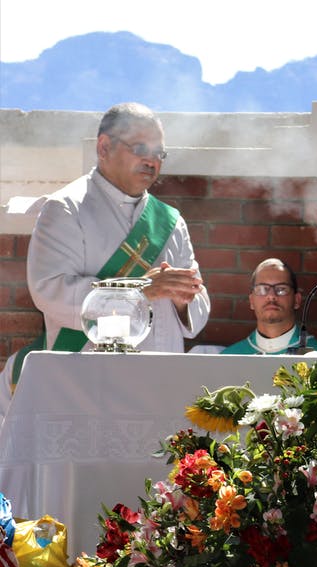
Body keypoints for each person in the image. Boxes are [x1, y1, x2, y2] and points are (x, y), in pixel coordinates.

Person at [15, 102, 209, 385]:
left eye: (159, 153)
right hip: (88, 380)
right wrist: (141, 289)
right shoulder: (67, 208)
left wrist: (183, 300)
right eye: (140, 149)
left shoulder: (171, 220)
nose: (152, 161)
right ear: (104, 147)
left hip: (160, 376)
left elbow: (198, 308)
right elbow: (50, 292)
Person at [221, 258, 317, 355]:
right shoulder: (228, 358)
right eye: (262, 289)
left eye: (281, 289)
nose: (271, 296)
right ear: (252, 301)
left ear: (296, 300)